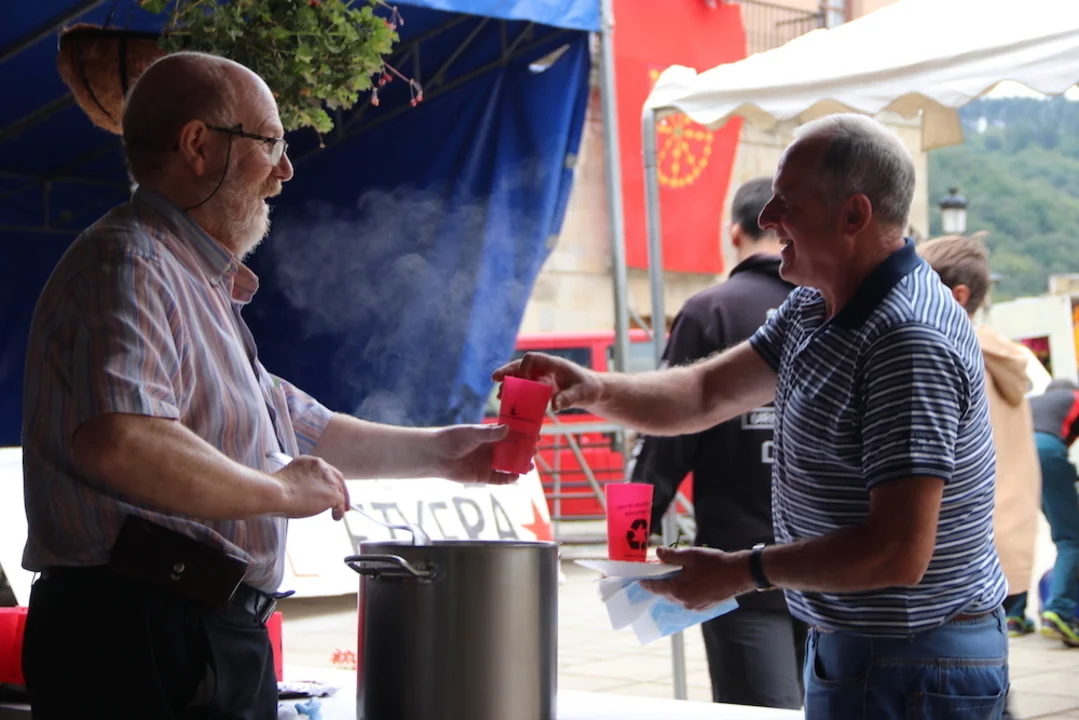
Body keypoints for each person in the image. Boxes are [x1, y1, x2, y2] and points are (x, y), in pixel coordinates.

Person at [20, 51, 517, 720]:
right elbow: (122, 439)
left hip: (185, 627)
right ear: (198, 145)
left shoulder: (184, 275)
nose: (284, 170)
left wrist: (445, 454)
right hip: (141, 629)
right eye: (270, 144)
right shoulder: (131, 261)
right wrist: (280, 491)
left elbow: (297, 424)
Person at [496, 113, 1008, 718]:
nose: (766, 218)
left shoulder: (906, 339)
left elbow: (898, 552)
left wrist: (743, 571)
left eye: (788, 202)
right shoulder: (815, 304)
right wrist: (593, 388)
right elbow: (706, 393)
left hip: (915, 662)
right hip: (863, 646)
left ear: (854, 216)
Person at [627, 177, 804, 710]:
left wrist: (628, 539)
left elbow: (665, 436)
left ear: (735, 233)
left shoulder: (712, 311)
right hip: (831, 565)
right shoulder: (833, 306)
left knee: (757, 710)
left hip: (736, 565)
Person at [918, 234, 1042, 638]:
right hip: (1003, 544)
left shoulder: (948, 358)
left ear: (957, 296)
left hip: (959, 552)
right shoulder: (1002, 359)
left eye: (916, 287)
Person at [1026, 378, 1079, 645]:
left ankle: (1013, 617)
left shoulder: (1029, 403)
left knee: (1019, 537)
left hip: (1013, 459)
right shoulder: (1075, 398)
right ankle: (1059, 610)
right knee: (1072, 538)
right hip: (1045, 453)